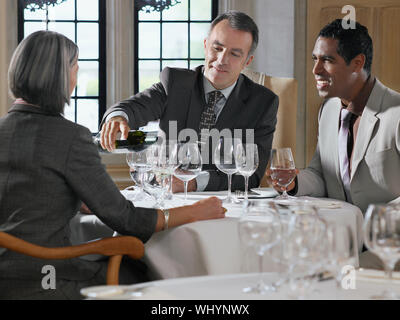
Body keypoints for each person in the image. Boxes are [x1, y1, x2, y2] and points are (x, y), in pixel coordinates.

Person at [0, 31, 225, 300]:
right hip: (47, 279)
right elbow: (125, 219)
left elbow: (24, 192)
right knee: (157, 277)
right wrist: (193, 212)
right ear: (58, 77)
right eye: (74, 66)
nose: (76, 75)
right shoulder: (71, 137)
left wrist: (71, 198)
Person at [268, 19, 400, 270]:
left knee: (325, 276)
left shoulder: (397, 113)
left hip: (389, 246)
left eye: (327, 60)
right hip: (340, 240)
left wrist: (368, 224)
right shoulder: (328, 110)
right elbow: (321, 173)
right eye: (314, 59)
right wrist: (295, 182)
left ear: (357, 63)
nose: (316, 70)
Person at [100, 11, 279, 193]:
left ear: (247, 61)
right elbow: (134, 107)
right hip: (164, 196)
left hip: (222, 204)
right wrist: (117, 117)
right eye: (217, 48)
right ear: (205, 45)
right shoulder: (175, 83)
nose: (221, 60)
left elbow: (253, 174)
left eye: (234, 54)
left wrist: (194, 182)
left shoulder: (263, 103)